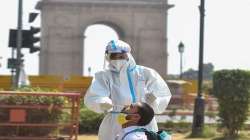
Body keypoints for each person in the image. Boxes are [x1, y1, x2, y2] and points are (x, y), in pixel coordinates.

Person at [84, 39, 172, 140]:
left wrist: (154, 101)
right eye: (114, 57)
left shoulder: (146, 73)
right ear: (108, 57)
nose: (118, 59)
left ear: (128, 55)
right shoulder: (103, 75)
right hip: (116, 121)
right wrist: (102, 102)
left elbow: (162, 93)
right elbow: (95, 95)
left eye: (121, 56)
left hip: (144, 120)